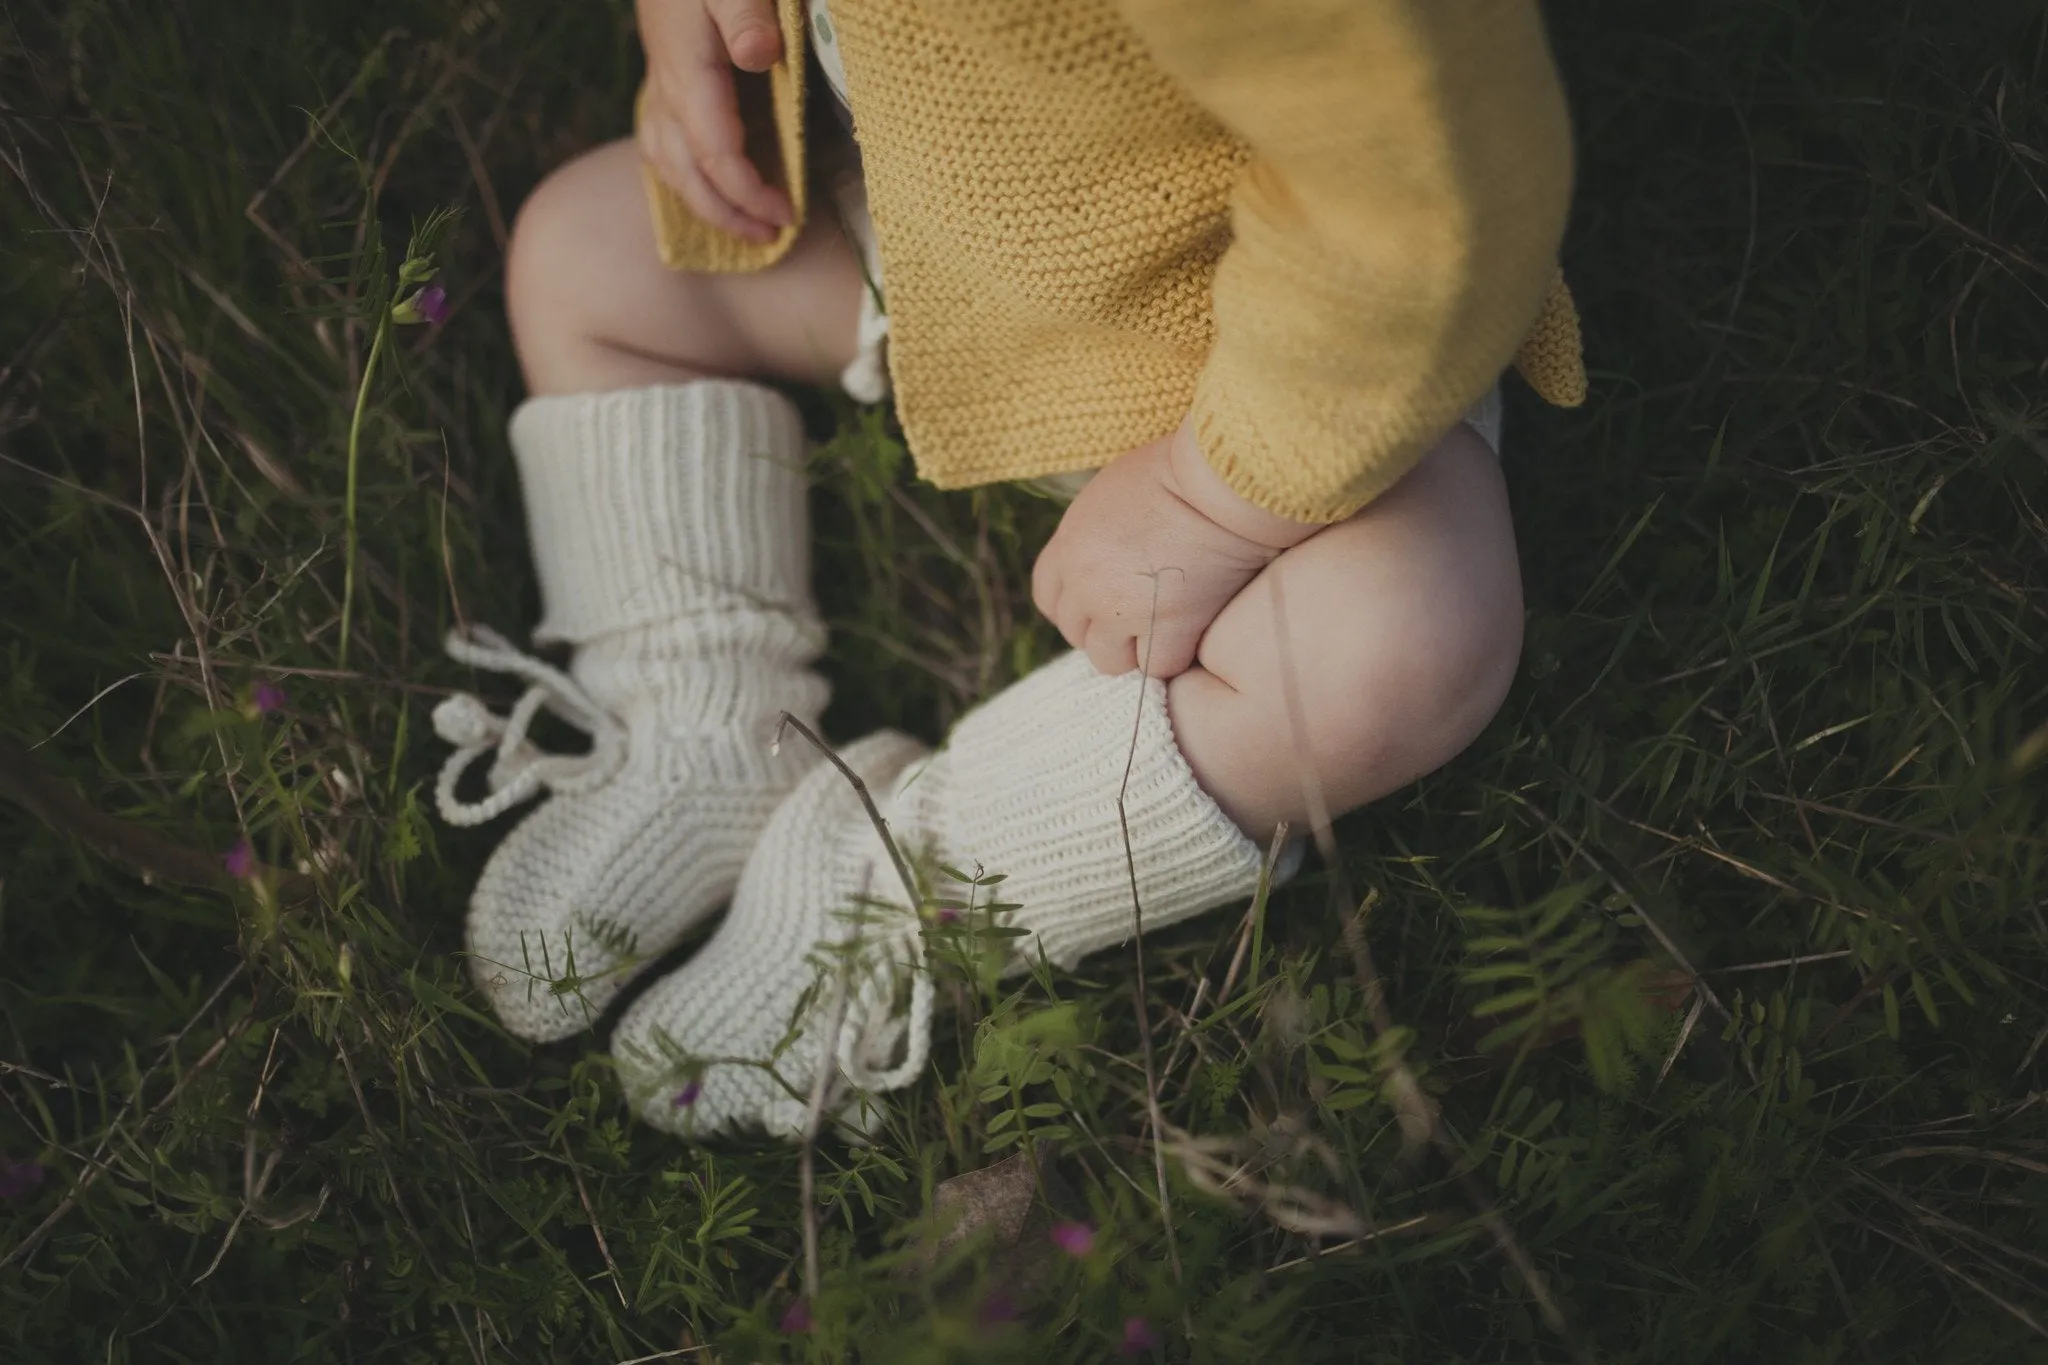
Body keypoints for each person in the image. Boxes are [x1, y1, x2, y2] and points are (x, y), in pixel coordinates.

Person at [431, 0, 1587, 1136]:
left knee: (1403, 634)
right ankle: (701, 719)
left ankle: (904, 887)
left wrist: (1212, 493)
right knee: (588, 252)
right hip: (933, 247)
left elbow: (1425, 190)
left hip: (1261, 367)